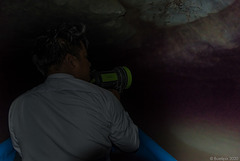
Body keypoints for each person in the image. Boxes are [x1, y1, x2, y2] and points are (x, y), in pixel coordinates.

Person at [8, 23, 139, 161]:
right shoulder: (104, 98)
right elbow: (131, 144)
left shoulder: (18, 105)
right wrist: (116, 102)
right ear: (71, 61)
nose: (89, 64)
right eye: (85, 57)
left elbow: (21, 151)